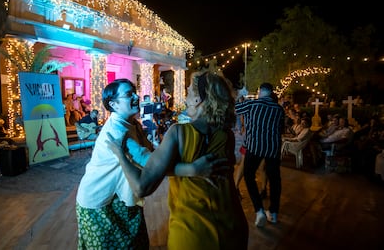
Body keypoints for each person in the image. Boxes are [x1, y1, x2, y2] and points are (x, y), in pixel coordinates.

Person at [107, 72, 249, 249]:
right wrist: (190, 169)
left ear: (198, 100)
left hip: (193, 234)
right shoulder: (226, 135)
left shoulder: (179, 133)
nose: (185, 97)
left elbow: (141, 187)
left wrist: (120, 154)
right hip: (234, 228)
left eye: (189, 92)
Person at [75, 78, 220, 249]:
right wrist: (192, 169)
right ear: (113, 104)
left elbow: (153, 157)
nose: (136, 97)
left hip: (117, 198)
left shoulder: (131, 124)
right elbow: (152, 163)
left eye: (134, 92)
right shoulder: (117, 131)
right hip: (99, 201)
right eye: (129, 94)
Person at [235, 82, 285, 227]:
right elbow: (281, 128)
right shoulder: (279, 109)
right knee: (275, 180)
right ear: (271, 92)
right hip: (273, 149)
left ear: (260, 91)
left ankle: (259, 210)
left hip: (254, 147)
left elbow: (235, 108)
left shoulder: (252, 104)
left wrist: (239, 96)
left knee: (249, 176)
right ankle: (274, 213)